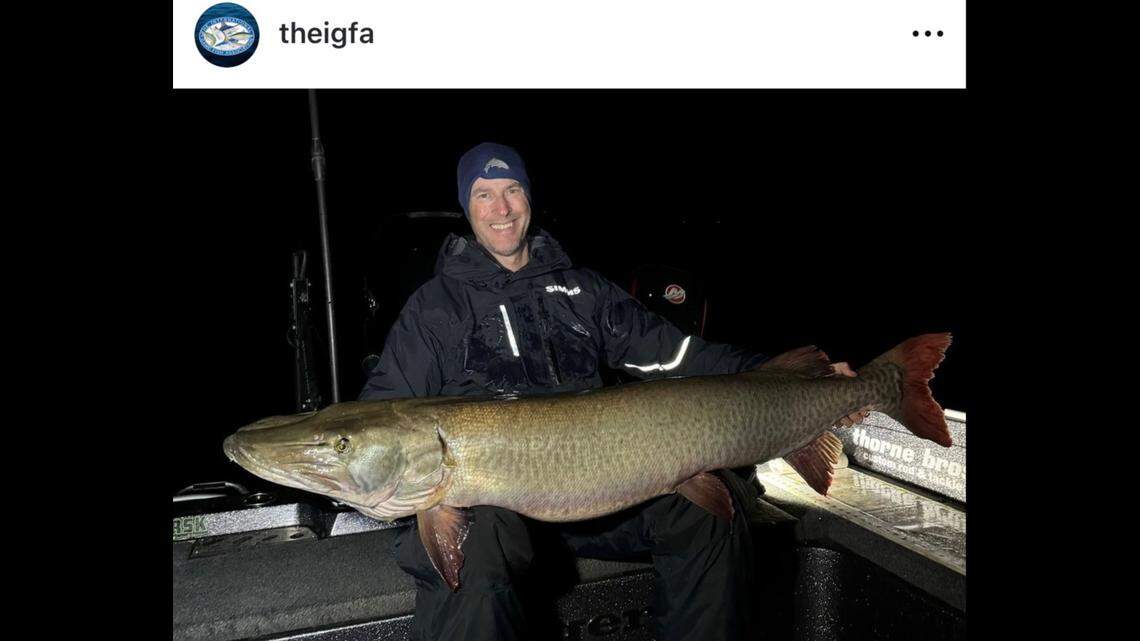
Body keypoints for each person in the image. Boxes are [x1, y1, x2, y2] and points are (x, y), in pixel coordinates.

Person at [360, 142, 865, 641]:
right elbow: (383, 418)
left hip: (598, 495)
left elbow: (678, 356)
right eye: (484, 194)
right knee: (475, 545)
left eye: (512, 189)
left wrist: (785, 376)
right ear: (466, 207)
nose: (502, 209)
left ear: (529, 198)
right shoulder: (435, 308)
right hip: (502, 509)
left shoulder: (582, 289)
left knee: (711, 511)